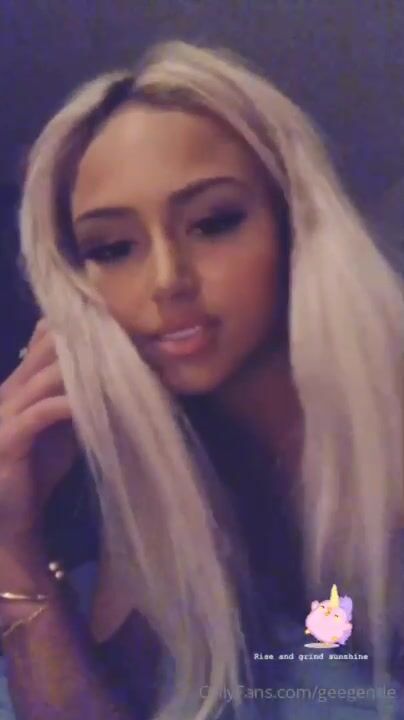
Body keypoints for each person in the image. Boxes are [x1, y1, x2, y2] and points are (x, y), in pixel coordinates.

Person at [0, 39, 403, 720]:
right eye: (112, 248)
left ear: (295, 222)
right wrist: (13, 551)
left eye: (213, 222)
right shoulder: (157, 486)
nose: (167, 281)